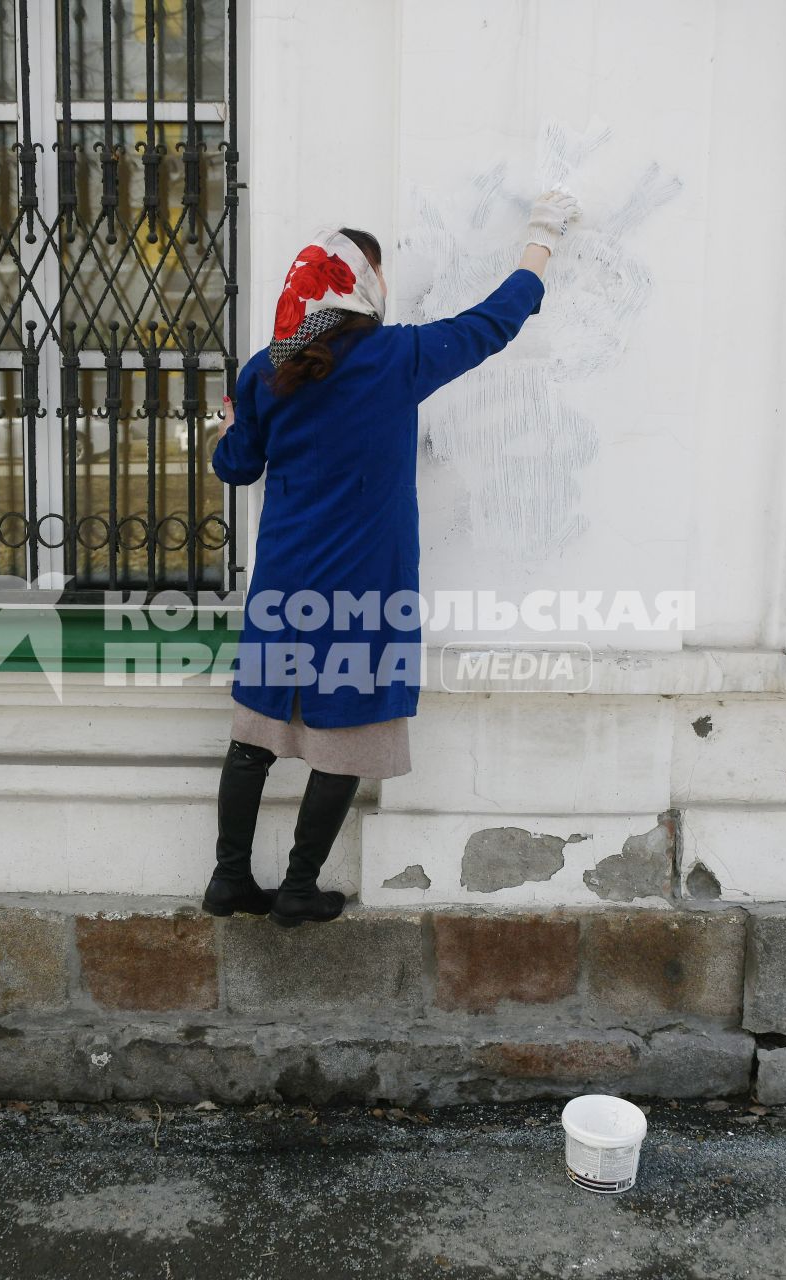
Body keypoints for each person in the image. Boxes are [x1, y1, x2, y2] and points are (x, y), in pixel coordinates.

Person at [203, 190, 583, 927]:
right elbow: (494, 323)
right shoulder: (395, 358)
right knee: (349, 734)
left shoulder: (265, 370)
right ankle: (298, 888)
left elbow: (235, 467)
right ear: (363, 284)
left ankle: (228, 879)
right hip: (363, 585)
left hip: (284, 580)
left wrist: (225, 418)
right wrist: (542, 238)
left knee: (257, 732)